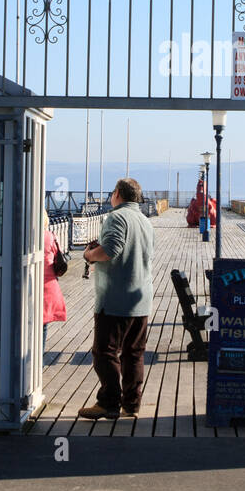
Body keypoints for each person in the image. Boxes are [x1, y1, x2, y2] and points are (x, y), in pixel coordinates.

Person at [79, 177, 154, 419]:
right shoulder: (145, 221)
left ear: (118, 194)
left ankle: (109, 401)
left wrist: (90, 254)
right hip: (141, 299)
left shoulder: (117, 217)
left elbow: (109, 250)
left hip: (115, 301)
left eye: (112, 192)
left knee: (104, 352)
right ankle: (131, 404)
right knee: (134, 353)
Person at [42, 211, 67, 356]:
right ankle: (38, 361)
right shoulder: (50, 237)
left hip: (26, 285)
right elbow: (59, 262)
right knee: (42, 325)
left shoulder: (22, 235)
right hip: (48, 287)